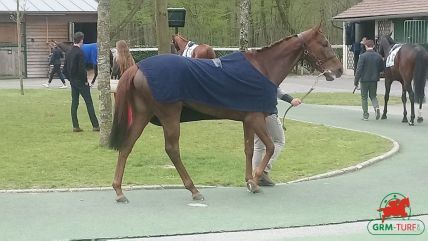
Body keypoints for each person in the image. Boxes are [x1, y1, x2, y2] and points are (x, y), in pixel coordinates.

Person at [252, 88, 302, 186]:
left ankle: (257, 175)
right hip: (268, 113)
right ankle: (263, 171)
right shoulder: (269, 75)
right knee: (279, 141)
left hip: (253, 114)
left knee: (259, 145)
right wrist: (291, 100)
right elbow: (277, 89)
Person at [62, 32, 100, 132]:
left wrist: (71, 79)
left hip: (73, 82)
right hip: (81, 82)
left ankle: (75, 125)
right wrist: (86, 81)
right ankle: (95, 125)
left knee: (74, 103)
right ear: (81, 40)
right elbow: (82, 70)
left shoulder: (69, 51)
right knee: (89, 103)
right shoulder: (80, 53)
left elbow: (64, 70)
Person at [354, 39, 385, 121]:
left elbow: (359, 70)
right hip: (374, 80)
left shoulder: (363, 56)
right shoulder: (378, 56)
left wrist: (355, 82)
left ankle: (365, 115)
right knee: (373, 96)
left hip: (364, 80)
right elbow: (382, 68)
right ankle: (376, 107)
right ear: (374, 46)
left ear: (365, 46)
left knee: (364, 97)